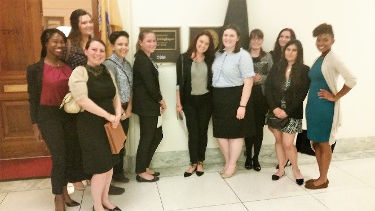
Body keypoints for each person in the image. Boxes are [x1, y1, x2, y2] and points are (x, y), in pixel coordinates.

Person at [27, 28, 80, 211]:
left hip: (68, 116)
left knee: (68, 155)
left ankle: (65, 192)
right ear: (46, 43)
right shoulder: (35, 69)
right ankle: (58, 197)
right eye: (55, 41)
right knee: (59, 157)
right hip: (48, 117)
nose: (60, 45)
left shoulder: (67, 66)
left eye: (62, 41)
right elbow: (33, 98)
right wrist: (35, 124)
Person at [69, 38, 122, 211]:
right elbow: (82, 100)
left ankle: (105, 200)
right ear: (86, 51)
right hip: (90, 126)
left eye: (101, 50)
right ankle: (97, 206)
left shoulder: (107, 70)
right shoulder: (79, 72)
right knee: (100, 168)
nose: (98, 53)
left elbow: (116, 96)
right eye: (94, 49)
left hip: (111, 125)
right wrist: (109, 116)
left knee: (110, 165)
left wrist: (118, 114)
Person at [305, 23, 356, 189]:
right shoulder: (320, 58)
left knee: (324, 142)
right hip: (313, 107)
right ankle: (321, 177)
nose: (321, 42)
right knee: (316, 143)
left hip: (324, 108)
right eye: (318, 39)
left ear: (332, 40)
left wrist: (335, 96)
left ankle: (323, 178)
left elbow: (352, 79)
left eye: (325, 39)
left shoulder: (334, 58)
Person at [211, 24, 255, 178]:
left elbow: (248, 82)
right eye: (225, 35)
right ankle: (230, 162)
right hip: (218, 97)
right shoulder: (218, 54)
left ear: (237, 38)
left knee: (236, 133)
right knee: (220, 133)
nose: (227, 38)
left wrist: (242, 105)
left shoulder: (244, 56)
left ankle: (231, 164)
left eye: (231, 35)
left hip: (236, 96)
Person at [265, 39, 310, 186]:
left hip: (292, 114)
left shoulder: (304, 70)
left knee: (288, 143)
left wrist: (287, 111)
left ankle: (296, 169)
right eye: (288, 49)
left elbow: (302, 95)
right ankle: (281, 169)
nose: (290, 52)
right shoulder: (276, 67)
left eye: (294, 50)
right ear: (284, 51)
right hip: (275, 112)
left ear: (299, 53)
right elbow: (268, 89)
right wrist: (274, 108)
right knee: (278, 141)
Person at [176, 31, 215, 177]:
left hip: (206, 101)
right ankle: (193, 163)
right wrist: (178, 103)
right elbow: (178, 83)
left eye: (206, 43)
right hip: (189, 102)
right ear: (195, 41)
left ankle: (200, 162)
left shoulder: (211, 59)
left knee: (202, 132)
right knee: (193, 133)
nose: (203, 45)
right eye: (201, 42)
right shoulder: (182, 59)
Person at [133, 29, 166, 182]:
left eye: (154, 40)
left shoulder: (146, 58)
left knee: (157, 135)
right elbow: (150, 84)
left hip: (151, 105)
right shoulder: (141, 59)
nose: (153, 43)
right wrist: (161, 100)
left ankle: (144, 166)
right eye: (149, 41)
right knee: (147, 137)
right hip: (146, 106)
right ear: (141, 43)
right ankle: (140, 171)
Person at [103, 31, 132, 185]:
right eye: (120, 44)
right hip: (114, 111)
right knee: (112, 145)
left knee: (121, 143)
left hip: (126, 110)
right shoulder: (108, 64)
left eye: (126, 44)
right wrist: (119, 111)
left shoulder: (127, 64)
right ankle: (110, 179)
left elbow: (131, 87)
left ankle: (119, 173)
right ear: (113, 46)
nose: (124, 47)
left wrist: (128, 110)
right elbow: (113, 90)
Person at [244, 29, 273, 171]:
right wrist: (249, 78)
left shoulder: (267, 56)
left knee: (259, 129)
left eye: (259, 38)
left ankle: (256, 158)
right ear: (250, 40)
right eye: (253, 38)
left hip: (261, 97)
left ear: (262, 40)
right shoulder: (243, 55)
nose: (256, 41)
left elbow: (273, 76)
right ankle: (248, 156)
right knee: (248, 127)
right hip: (247, 97)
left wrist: (262, 78)